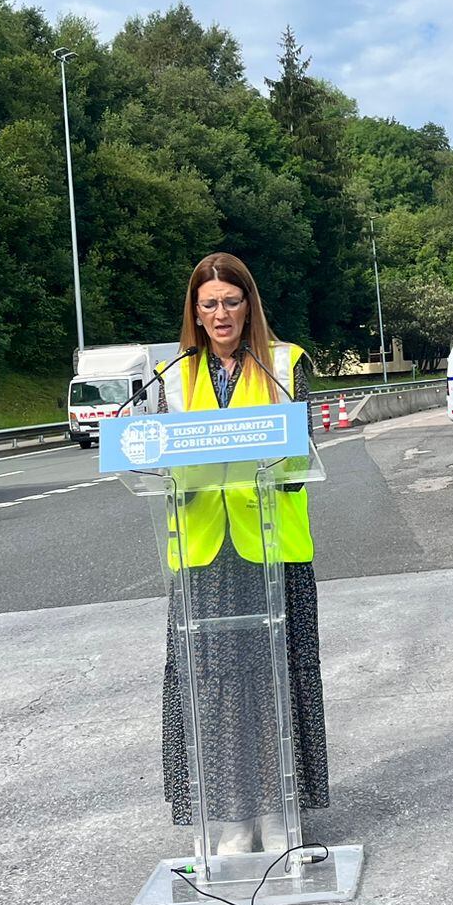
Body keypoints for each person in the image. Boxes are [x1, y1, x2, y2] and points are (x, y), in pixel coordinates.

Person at [149, 252, 329, 850]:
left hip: (272, 549)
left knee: (276, 675)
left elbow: (301, 460)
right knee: (216, 684)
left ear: (249, 303)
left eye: (231, 301)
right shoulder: (171, 375)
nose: (220, 314)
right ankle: (230, 817)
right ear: (195, 315)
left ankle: (280, 812)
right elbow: (154, 459)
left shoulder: (284, 362)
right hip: (204, 554)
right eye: (208, 305)